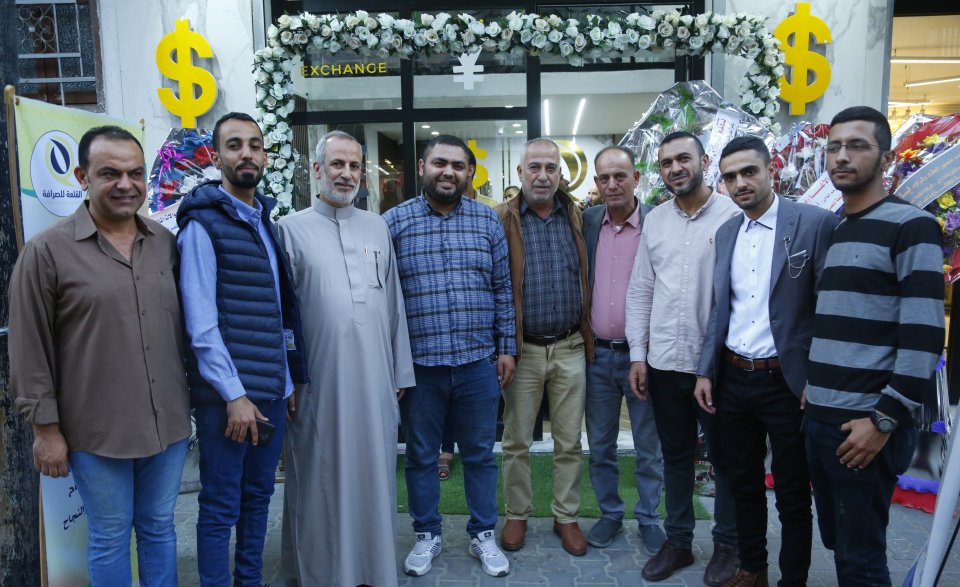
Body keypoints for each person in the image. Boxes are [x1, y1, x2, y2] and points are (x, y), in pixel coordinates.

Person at [9, 126, 191, 585]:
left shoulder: (165, 244)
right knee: (110, 537)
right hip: (95, 432)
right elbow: (28, 348)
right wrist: (45, 429)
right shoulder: (47, 252)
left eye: (135, 173)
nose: (126, 184)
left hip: (167, 424)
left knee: (159, 529)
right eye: (110, 173)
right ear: (82, 177)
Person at [804, 106, 944, 586]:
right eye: (834, 147)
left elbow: (924, 335)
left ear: (886, 158)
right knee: (842, 544)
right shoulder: (837, 228)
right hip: (822, 418)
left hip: (864, 425)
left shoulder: (911, 226)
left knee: (861, 560)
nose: (842, 157)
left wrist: (884, 420)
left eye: (857, 146)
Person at [694, 136, 838, 587]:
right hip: (735, 379)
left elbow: (829, 308)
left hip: (789, 383)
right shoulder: (727, 233)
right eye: (730, 176)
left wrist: (819, 375)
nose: (740, 183)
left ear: (770, 170)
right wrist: (705, 370)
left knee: (793, 493)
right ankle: (752, 568)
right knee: (743, 484)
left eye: (749, 172)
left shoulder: (813, 223)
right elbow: (720, 309)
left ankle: (792, 579)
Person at [278, 131, 415, 586]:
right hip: (318, 383)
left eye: (355, 166)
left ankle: (373, 569)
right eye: (337, 164)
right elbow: (281, 315)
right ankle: (323, 573)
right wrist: (285, 380)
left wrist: (399, 370)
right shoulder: (289, 229)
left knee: (373, 474)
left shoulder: (377, 227)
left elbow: (393, 304)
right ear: (317, 170)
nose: (346, 174)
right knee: (319, 476)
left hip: (375, 380)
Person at [176, 111, 308, 587]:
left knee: (258, 499)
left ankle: (249, 581)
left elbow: (276, 313)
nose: (246, 154)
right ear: (216, 157)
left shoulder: (262, 221)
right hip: (228, 401)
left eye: (254, 145)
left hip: (269, 393)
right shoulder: (203, 225)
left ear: (266, 157)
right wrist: (234, 395)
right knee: (219, 505)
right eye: (234, 145)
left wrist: (285, 382)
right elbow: (201, 325)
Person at [384, 134, 516, 578]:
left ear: (469, 173)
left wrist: (506, 348)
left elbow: (502, 288)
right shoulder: (394, 222)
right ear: (423, 167)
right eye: (440, 163)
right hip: (420, 367)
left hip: (477, 363)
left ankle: (483, 534)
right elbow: (384, 296)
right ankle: (427, 534)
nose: (448, 172)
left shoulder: (486, 220)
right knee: (421, 455)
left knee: (479, 454)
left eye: (458, 166)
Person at [625, 131, 741, 586]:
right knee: (674, 456)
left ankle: (728, 545)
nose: (675, 168)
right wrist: (638, 355)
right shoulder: (655, 220)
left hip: (717, 367)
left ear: (704, 161)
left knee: (726, 458)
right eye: (666, 162)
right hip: (663, 363)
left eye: (683, 159)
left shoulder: (734, 215)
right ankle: (678, 541)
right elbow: (641, 289)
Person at [496, 138, 594, 557]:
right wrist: (504, 345)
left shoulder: (576, 215)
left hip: (571, 345)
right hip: (525, 350)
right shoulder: (501, 218)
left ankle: (565, 516)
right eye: (534, 167)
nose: (542, 176)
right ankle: (517, 514)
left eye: (551, 168)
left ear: (560, 174)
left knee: (569, 441)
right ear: (520, 172)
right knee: (517, 440)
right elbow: (497, 285)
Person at [581, 146, 665, 553]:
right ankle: (611, 514)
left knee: (648, 446)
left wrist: (644, 354)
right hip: (596, 356)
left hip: (642, 358)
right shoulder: (587, 221)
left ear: (636, 178)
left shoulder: (658, 223)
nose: (612, 184)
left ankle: (649, 517)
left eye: (620, 176)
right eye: (604, 178)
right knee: (600, 446)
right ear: (596, 182)